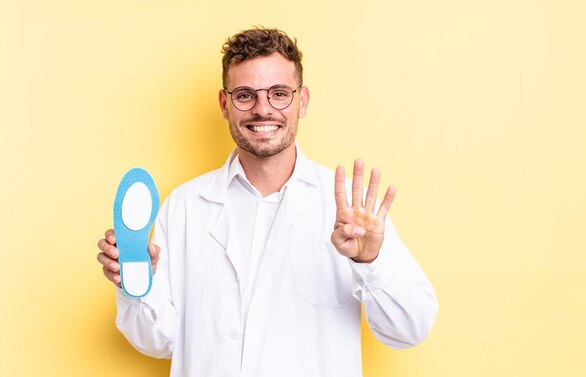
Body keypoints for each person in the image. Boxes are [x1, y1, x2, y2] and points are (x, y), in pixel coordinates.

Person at [96, 27, 438, 377]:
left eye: (279, 93)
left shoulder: (353, 211)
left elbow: (410, 330)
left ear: (302, 101)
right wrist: (136, 287)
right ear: (224, 104)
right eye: (245, 95)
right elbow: (158, 342)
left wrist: (370, 262)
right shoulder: (185, 206)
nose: (263, 110)